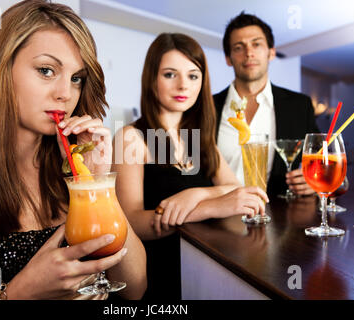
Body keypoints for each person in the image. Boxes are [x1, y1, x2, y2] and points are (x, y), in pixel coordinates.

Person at [0, 0, 146, 300]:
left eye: (76, 78)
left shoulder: (73, 168)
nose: (65, 94)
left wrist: (96, 183)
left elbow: (135, 288)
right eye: (46, 70)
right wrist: (20, 292)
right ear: (0, 70)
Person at [112, 33, 268, 300]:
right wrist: (207, 207)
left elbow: (237, 191)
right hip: (159, 273)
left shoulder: (197, 138)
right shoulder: (131, 137)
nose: (183, 85)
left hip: (206, 264)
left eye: (193, 76)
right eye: (170, 74)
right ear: (152, 79)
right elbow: (131, 223)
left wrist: (197, 194)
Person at [214, 12, 319, 196]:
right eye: (239, 47)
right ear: (228, 58)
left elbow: (323, 159)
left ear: (271, 52)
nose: (249, 53)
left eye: (256, 44)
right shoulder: (206, 107)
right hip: (218, 218)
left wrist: (314, 179)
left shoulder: (299, 106)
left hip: (279, 219)